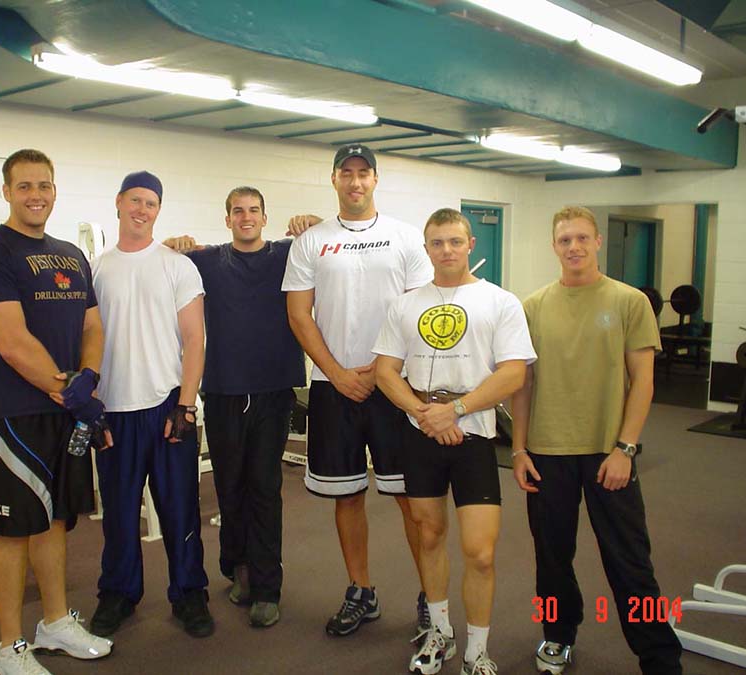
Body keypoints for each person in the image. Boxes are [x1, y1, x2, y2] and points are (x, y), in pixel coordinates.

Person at [0, 148, 113, 675]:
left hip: (64, 410)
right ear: (6, 192)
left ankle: (55, 623)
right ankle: (8, 648)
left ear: (55, 191)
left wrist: (88, 378)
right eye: (24, 186)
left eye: (44, 185)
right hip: (16, 415)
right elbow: (12, 342)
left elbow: (92, 325)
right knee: (13, 530)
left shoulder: (70, 254)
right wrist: (75, 394)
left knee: (55, 522)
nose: (35, 195)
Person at [511, 206, 683, 675]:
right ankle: (556, 634)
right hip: (547, 453)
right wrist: (519, 449)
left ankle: (660, 657)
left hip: (610, 454)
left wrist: (626, 448)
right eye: (565, 240)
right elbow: (523, 384)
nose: (574, 247)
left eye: (582, 238)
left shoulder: (629, 302)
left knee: (630, 561)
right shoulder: (532, 306)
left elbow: (643, 380)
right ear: (554, 246)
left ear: (598, 241)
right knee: (551, 560)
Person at [374, 208, 535, 675]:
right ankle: (440, 633)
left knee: (480, 553)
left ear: (470, 245)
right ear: (426, 249)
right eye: (437, 243)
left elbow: (514, 373)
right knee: (429, 536)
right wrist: (423, 412)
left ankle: (476, 651)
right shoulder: (406, 304)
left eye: (455, 241)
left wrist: (456, 410)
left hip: (474, 434)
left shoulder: (500, 302)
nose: (446, 250)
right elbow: (385, 371)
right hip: (421, 432)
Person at [282, 143, 434, 637]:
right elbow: (299, 315)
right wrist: (337, 371)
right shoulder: (312, 242)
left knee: (410, 497)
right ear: (334, 180)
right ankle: (361, 591)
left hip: (396, 385)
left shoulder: (405, 238)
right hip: (333, 387)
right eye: (345, 173)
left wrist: (381, 369)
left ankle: (431, 596)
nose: (355, 181)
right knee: (346, 495)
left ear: (375, 180)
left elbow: (419, 310)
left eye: (363, 173)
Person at [162, 186, 307, 628]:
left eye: (254, 211)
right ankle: (238, 569)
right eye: (238, 211)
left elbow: (331, 236)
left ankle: (267, 588)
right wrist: (174, 243)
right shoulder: (208, 260)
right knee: (229, 487)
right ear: (227, 219)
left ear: (265, 217)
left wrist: (313, 222)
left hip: (272, 390)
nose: (246, 217)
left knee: (264, 487)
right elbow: (157, 256)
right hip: (223, 391)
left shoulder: (286, 254)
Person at [88, 171, 214, 639]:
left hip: (166, 407)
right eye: (135, 200)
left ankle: (189, 593)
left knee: (180, 511)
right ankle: (118, 593)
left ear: (158, 210)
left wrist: (185, 406)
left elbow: (195, 339)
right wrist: (92, 406)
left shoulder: (177, 266)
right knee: (119, 514)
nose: (142, 210)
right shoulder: (95, 269)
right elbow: (86, 340)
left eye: (151, 203)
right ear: (119, 202)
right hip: (114, 410)